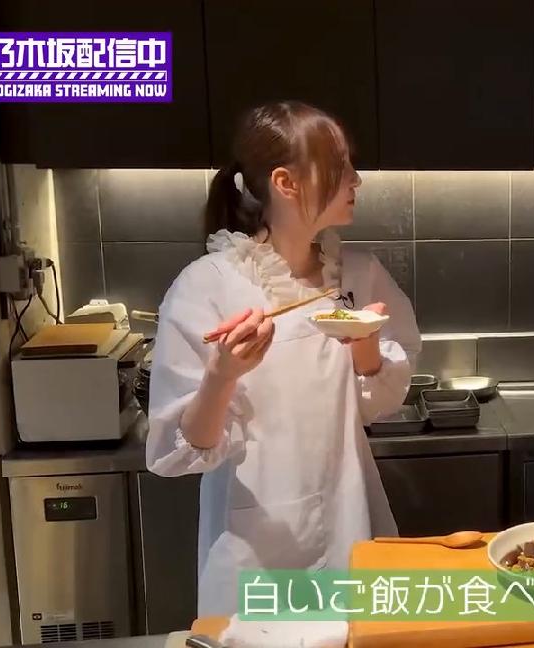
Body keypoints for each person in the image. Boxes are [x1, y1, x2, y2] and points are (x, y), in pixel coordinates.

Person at [146, 101, 420, 616]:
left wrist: (364, 346)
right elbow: (180, 453)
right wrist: (222, 374)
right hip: (254, 544)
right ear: (285, 182)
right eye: (340, 166)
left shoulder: (358, 274)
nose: (356, 180)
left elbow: (379, 400)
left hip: (348, 519)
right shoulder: (208, 285)